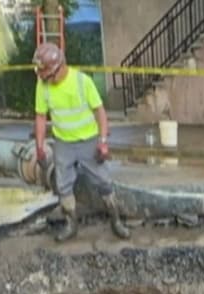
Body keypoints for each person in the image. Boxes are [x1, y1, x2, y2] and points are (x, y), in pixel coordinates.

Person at [32, 42, 130, 242]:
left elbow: (100, 112)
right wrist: (39, 146)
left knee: (103, 181)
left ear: (58, 68)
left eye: (47, 75)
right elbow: (41, 117)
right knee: (63, 185)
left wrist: (103, 141)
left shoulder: (82, 82)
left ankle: (116, 221)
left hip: (88, 142)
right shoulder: (43, 86)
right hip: (63, 144)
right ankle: (71, 224)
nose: (44, 79)